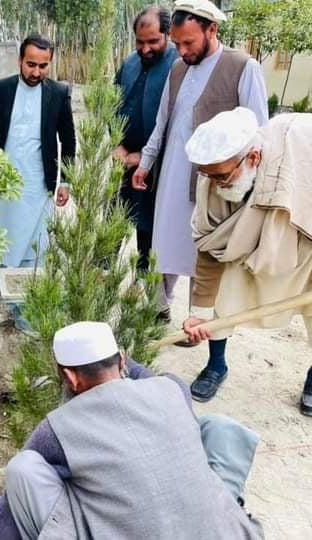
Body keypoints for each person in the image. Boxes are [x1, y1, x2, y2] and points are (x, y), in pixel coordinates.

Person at [0, 322, 263, 539]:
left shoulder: (56, 429)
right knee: (218, 427)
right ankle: (228, 512)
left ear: (70, 377)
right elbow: (139, 376)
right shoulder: (172, 388)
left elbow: (13, 503)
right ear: (122, 361)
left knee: (25, 468)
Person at [131, 0, 268, 330]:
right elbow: (164, 122)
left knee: (202, 250)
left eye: (189, 42)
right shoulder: (178, 69)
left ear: (212, 30)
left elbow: (260, 131)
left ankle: (199, 322)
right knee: (164, 244)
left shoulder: (243, 67)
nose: (182, 50)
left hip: (215, 182)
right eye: (177, 43)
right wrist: (146, 162)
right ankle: (157, 309)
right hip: (172, 176)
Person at [182, 107, 312, 413]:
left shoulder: (301, 151)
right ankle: (216, 365)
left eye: (222, 176)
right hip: (247, 250)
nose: (215, 184)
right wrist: (199, 314)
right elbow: (210, 248)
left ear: (253, 158)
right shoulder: (213, 183)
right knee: (220, 299)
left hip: (305, 242)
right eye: (207, 175)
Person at [0, 33, 76, 331]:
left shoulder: (59, 92)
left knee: (30, 245)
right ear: (19, 60)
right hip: (0, 179)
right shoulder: (1, 89)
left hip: (37, 182)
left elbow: (68, 140)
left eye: (44, 66)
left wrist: (66, 181)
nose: (36, 72)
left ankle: (23, 309)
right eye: (31, 64)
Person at [113, 6, 178, 314]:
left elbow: (181, 124)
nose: (145, 49)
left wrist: (146, 156)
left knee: (152, 236)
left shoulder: (181, 65)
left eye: (152, 41)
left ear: (168, 34)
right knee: (113, 223)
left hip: (162, 169)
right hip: (123, 164)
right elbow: (111, 106)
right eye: (140, 42)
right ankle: (98, 288)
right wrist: (117, 146)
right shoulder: (128, 63)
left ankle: (156, 305)